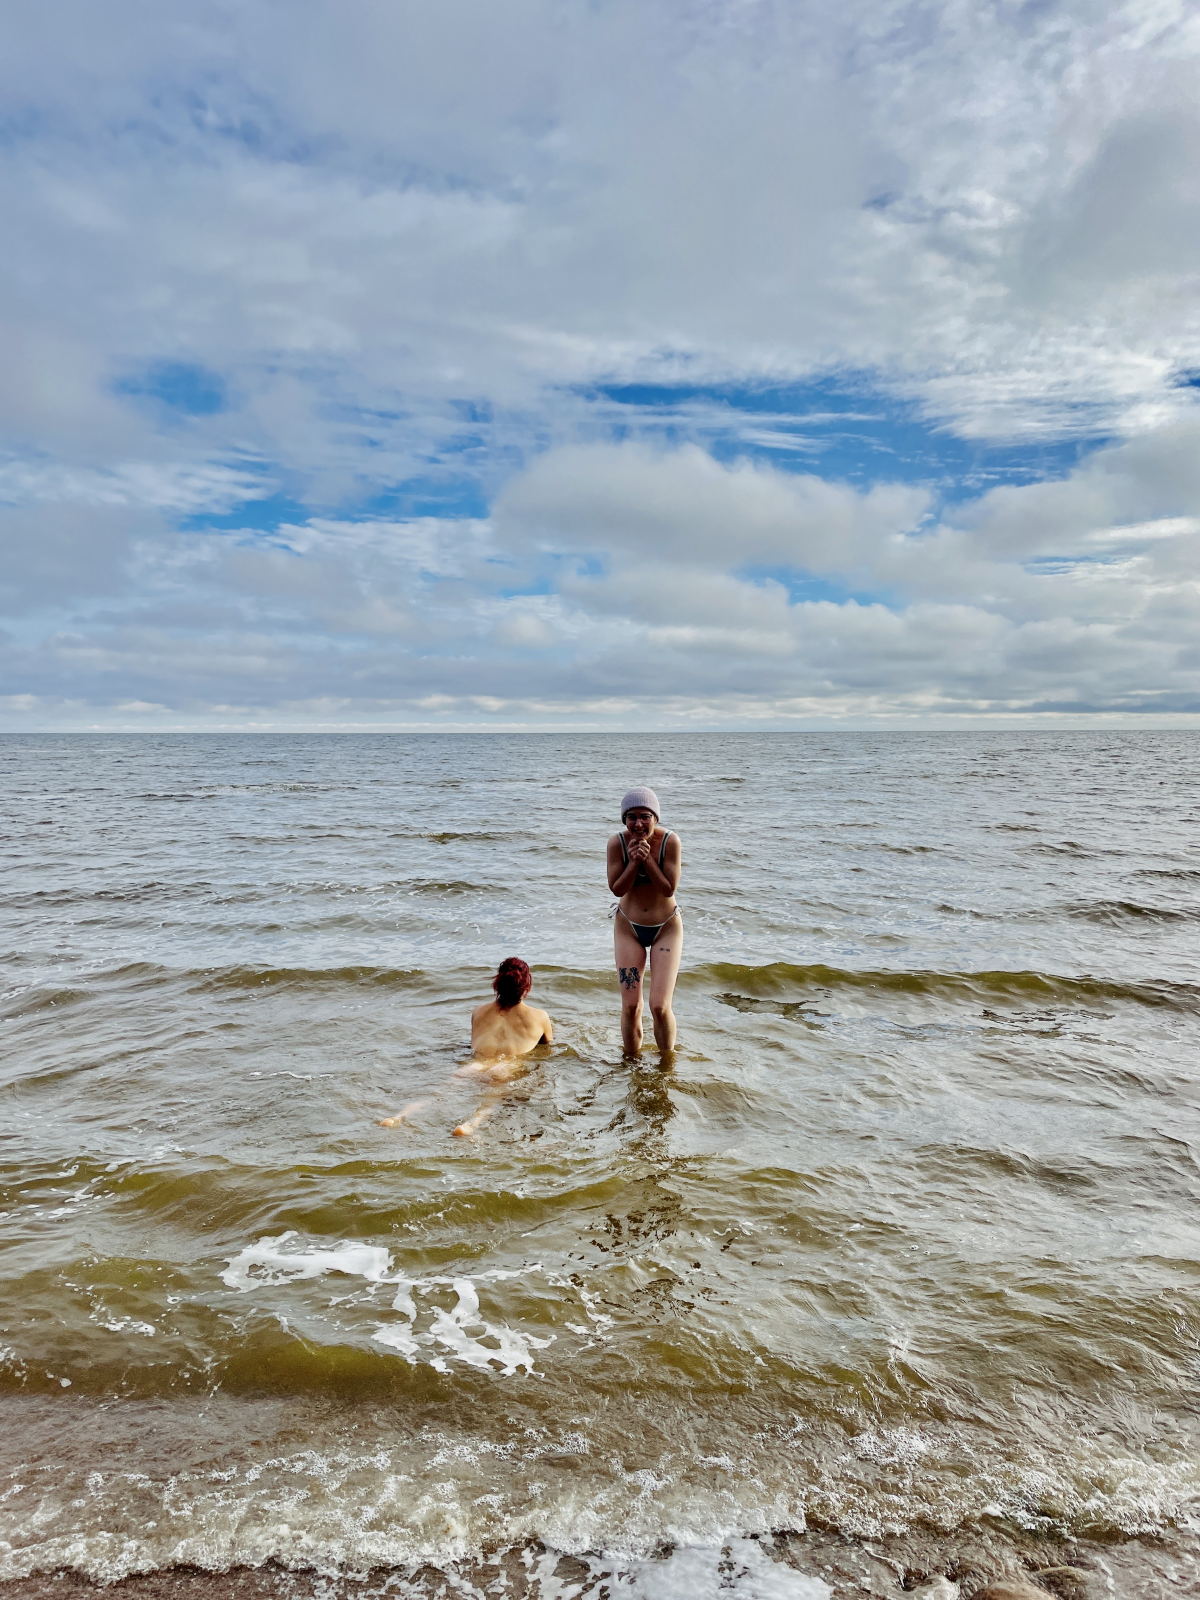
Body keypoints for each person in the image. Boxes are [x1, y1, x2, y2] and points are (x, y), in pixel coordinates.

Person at [378, 957, 552, 1136]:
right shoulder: (540, 1017)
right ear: (527, 987)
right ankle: (469, 1125)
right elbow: (547, 1046)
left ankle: (398, 1117)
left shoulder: (478, 1011)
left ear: (497, 983)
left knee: (438, 1093)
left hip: (477, 1064)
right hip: (506, 1066)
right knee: (490, 1101)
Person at [607, 786, 682, 1054]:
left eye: (645, 816)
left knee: (659, 1006)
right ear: (624, 820)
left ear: (656, 818)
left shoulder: (670, 842)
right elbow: (616, 888)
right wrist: (633, 862)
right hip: (629, 927)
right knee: (630, 1006)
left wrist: (647, 859)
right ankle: (631, 1065)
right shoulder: (616, 843)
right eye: (631, 817)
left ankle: (666, 1064)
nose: (638, 823)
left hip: (666, 928)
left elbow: (668, 889)